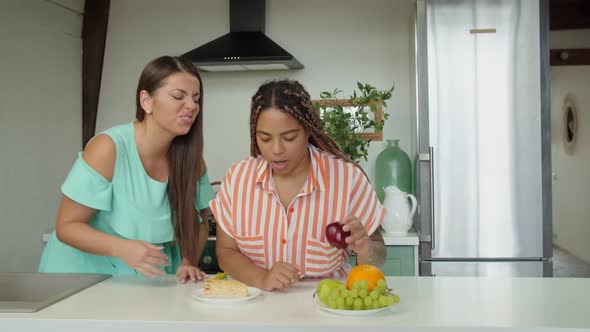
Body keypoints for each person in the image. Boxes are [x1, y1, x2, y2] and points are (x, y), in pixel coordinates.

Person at [39, 56, 215, 283]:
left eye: (196, 98)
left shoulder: (191, 160)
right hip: (80, 280)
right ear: (146, 101)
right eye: (178, 96)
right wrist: (121, 248)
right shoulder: (108, 148)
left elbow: (199, 222)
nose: (191, 106)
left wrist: (188, 261)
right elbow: (67, 227)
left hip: (145, 281)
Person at [210, 80, 386, 291]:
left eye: (289, 137)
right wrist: (262, 278)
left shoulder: (347, 177)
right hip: (253, 309)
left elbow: (378, 252)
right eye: (265, 139)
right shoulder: (238, 178)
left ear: (308, 131)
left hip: (325, 309)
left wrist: (365, 249)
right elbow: (226, 252)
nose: (276, 149)